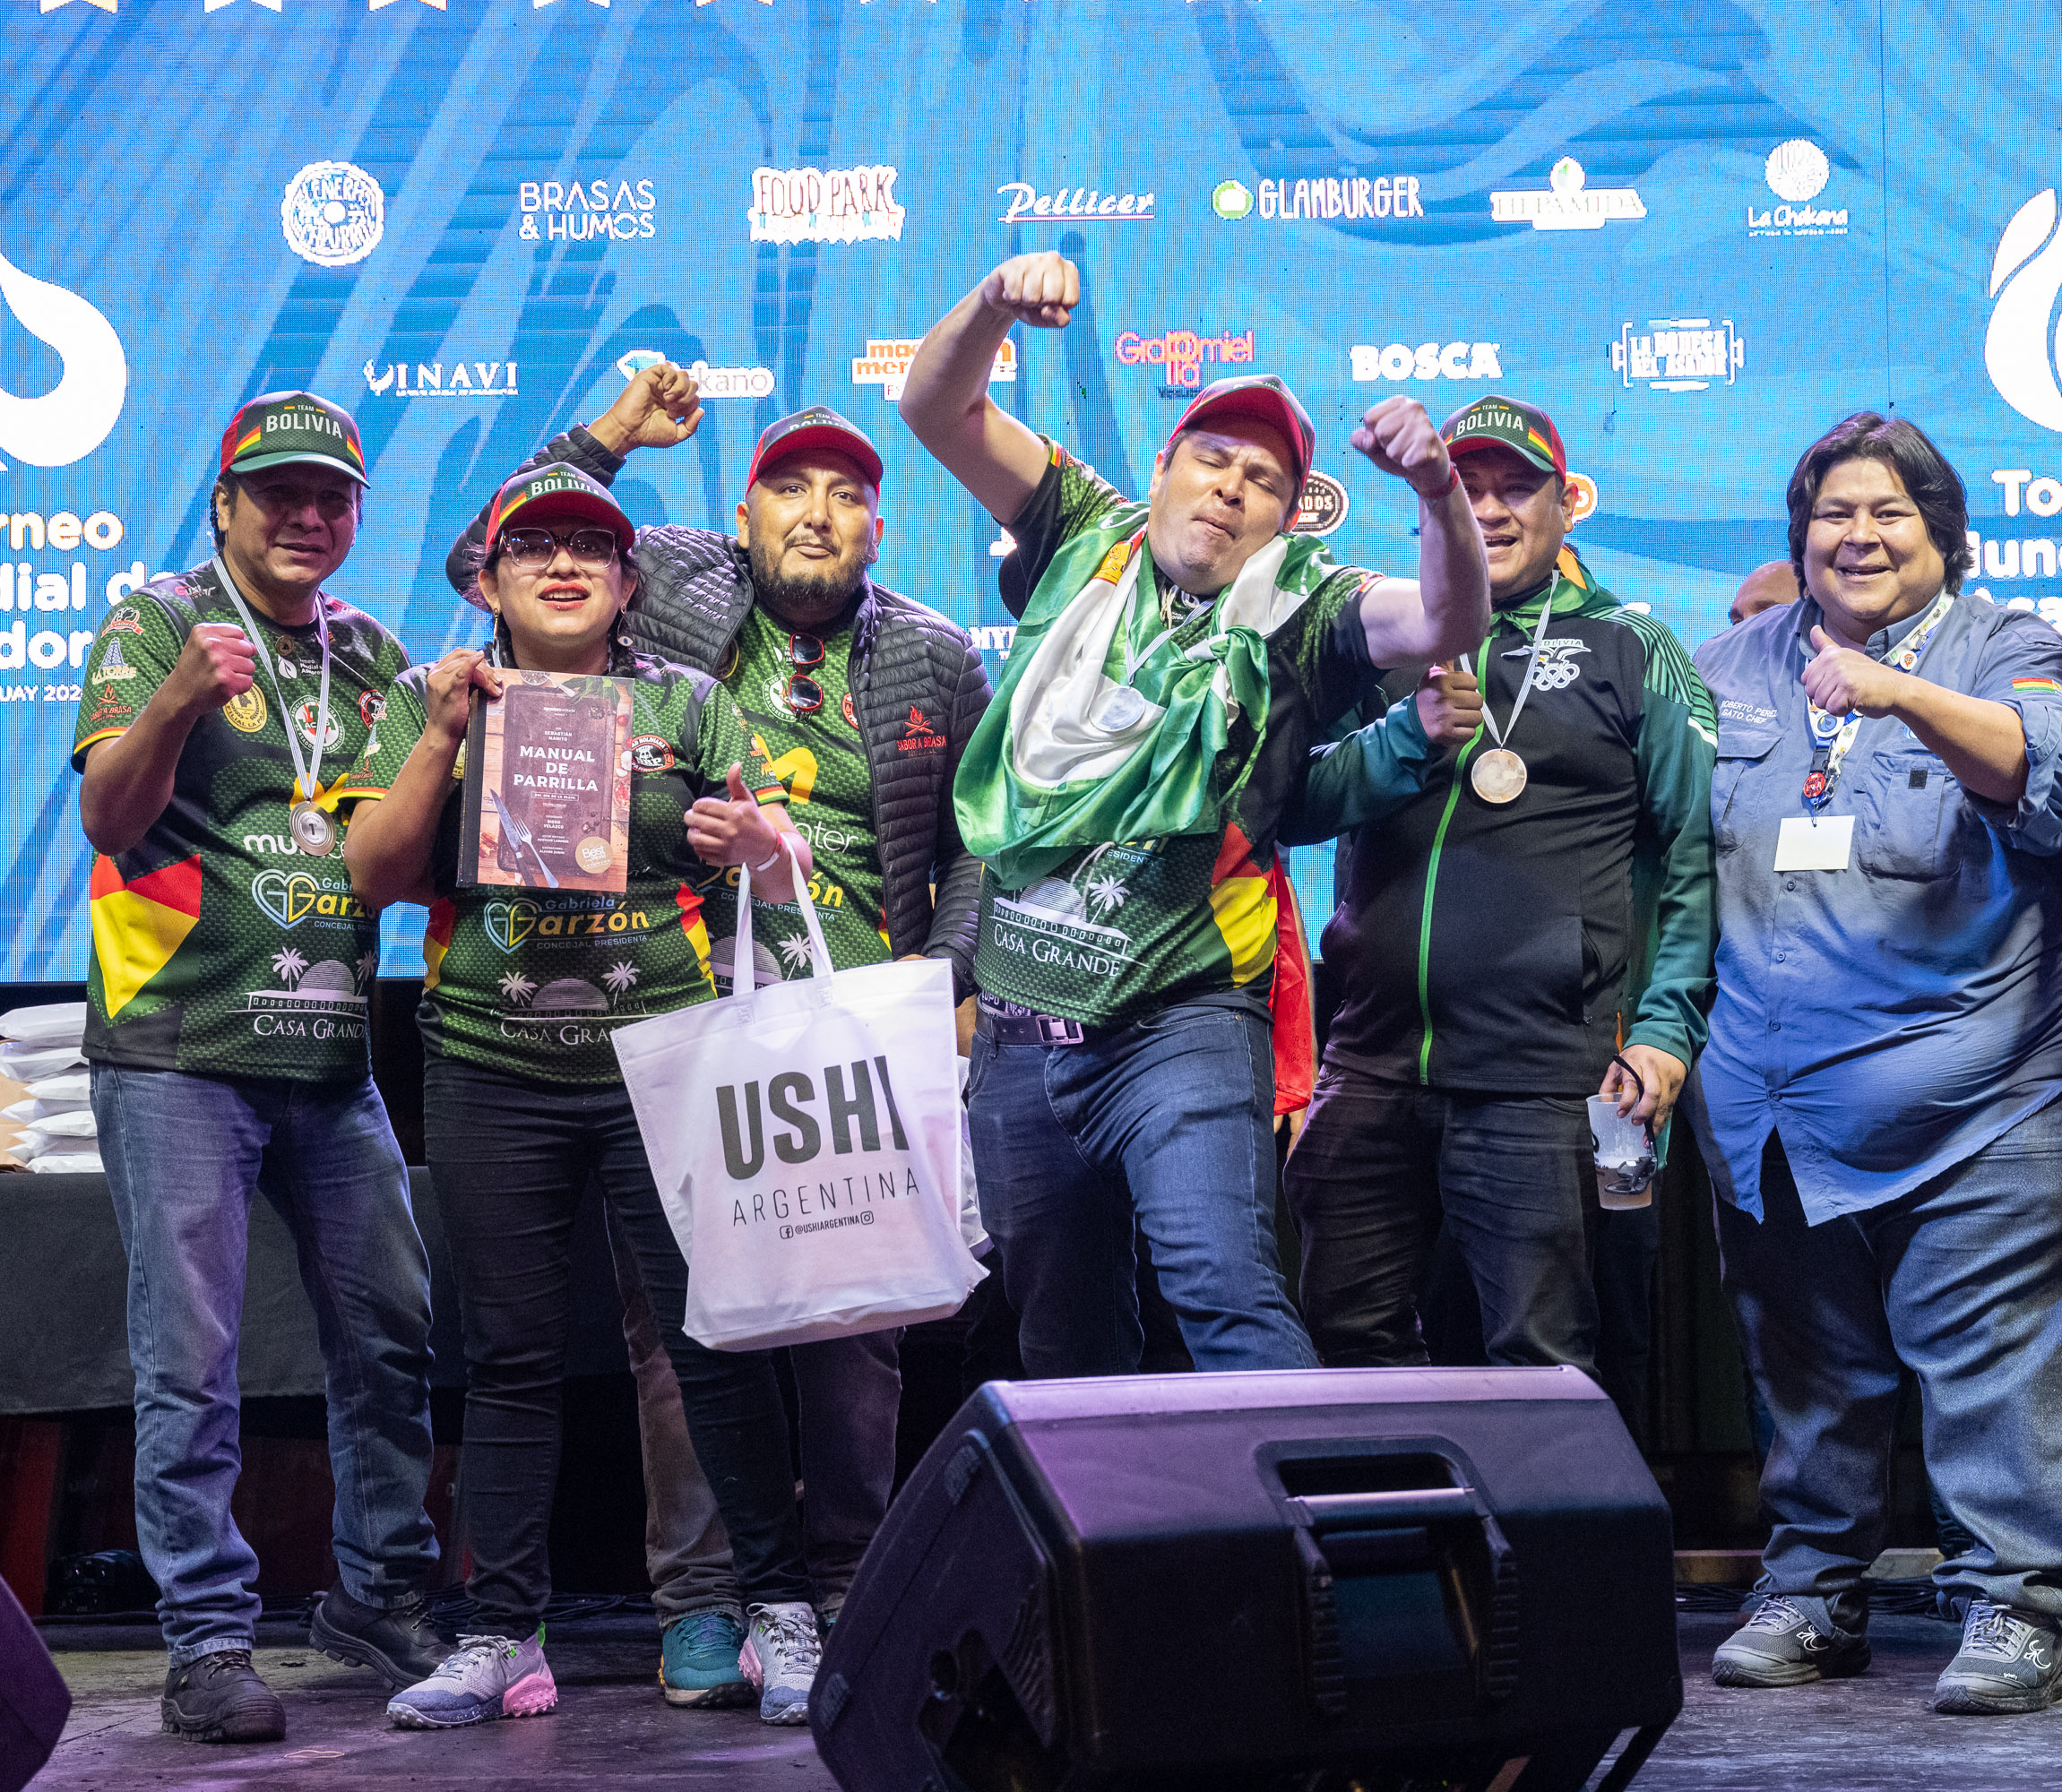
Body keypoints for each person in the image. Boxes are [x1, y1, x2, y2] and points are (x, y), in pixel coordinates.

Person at [444, 378, 988, 1697]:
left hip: (852, 1019)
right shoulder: (674, 585)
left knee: (860, 1319)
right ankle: (700, 1600)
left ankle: (850, 1579)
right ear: (742, 516)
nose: (819, 514)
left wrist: (943, 975)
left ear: (876, 528)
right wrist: (609, 441)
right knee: (679, 1325)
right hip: (685, 1004)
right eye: (792, 489)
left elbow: (982, 837)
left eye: (849, 494)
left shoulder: (934, 655)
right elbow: (487, 554)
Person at [897, 250, 1490, 1377]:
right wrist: (987, 302)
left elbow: (1448, 618)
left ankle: (1307, 1549)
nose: (1230, 487)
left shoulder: (1308, 610)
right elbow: (937, 404)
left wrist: (1437, 492)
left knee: (1225, 1291)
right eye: (1212, 459)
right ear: (1164, 467)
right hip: (1024, 1027)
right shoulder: (1081, 531)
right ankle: (1118, 1560)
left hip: (1180, 1020)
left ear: (1284, 519)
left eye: (1262, 481)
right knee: (1062, 1339)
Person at [344, 466, 828, 1729]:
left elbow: (789, 862)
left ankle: (782, 1611)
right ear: (491, 580)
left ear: (624, 587)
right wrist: (450, 735)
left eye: (591, 552)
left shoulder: (688, 700)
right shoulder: (426, 697)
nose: (564, 566)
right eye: (535, 548)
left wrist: (753, 844)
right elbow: (370, 874)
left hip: (664, 1065)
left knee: (712, 1340)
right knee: (507, 1359)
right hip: (490, 1066)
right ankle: (503, 1630)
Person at [1689, 413, 2062, 1716]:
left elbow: (2051, 781)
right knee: (1807, 1381)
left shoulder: (2012, 648)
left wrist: (1904, 693)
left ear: (1944, 535)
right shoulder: (1727, 668)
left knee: (1993, 1373)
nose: (1857, 538)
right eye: (1833, 516)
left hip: (1986, 1100)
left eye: (1890, 516)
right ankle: (1813, 1592)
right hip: (1770, 1107)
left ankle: (2010, 1609)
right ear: (1799, 532)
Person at [71, 392, 448, 1745]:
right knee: (195, 1355)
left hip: (331, 1053)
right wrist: (178, 699)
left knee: (392, 1331)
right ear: (223, 503)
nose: (306, 516)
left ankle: (379, 1592)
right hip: (180, 1046)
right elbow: (109, 816)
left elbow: (396, 856)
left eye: (331, 497)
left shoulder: (378, 659)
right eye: (277, 492)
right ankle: (207, 1638)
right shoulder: (157, 623)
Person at [1275, 393, 1715, 1396]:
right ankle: (1400, 1556)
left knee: (1547, 1359)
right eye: (1466, 490)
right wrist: (1403, 740)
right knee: (1348, 1346)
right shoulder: (1381, 638)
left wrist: (1665, 1027)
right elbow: (1286, 805)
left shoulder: (1633, 649)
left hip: (1556, 1078)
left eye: (1516, 487)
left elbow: (1693, 856)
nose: (1490, 510)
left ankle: (1563, 1557)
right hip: (1372, 1066)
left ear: (1570, 502)